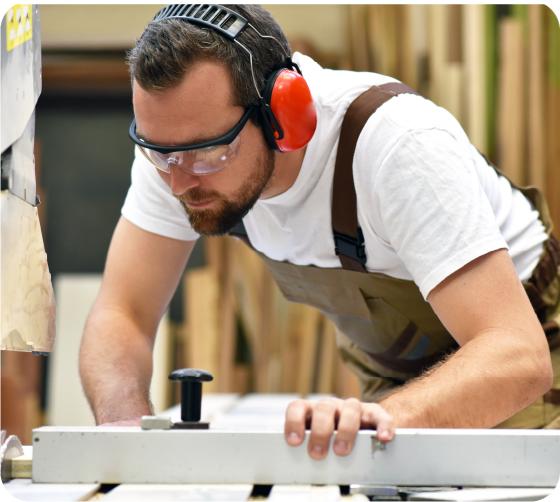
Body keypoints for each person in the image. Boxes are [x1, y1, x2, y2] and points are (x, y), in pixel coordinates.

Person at [79, 4, 560, 460]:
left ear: (284, 117)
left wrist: (381, 419)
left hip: (527, 356)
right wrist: (125, 436)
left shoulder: (398, 146)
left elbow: (517, 356)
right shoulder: (178, 152)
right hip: (399, 384)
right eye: (160, 154)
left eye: (208, 154)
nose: (180, 183)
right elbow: (124, 312)